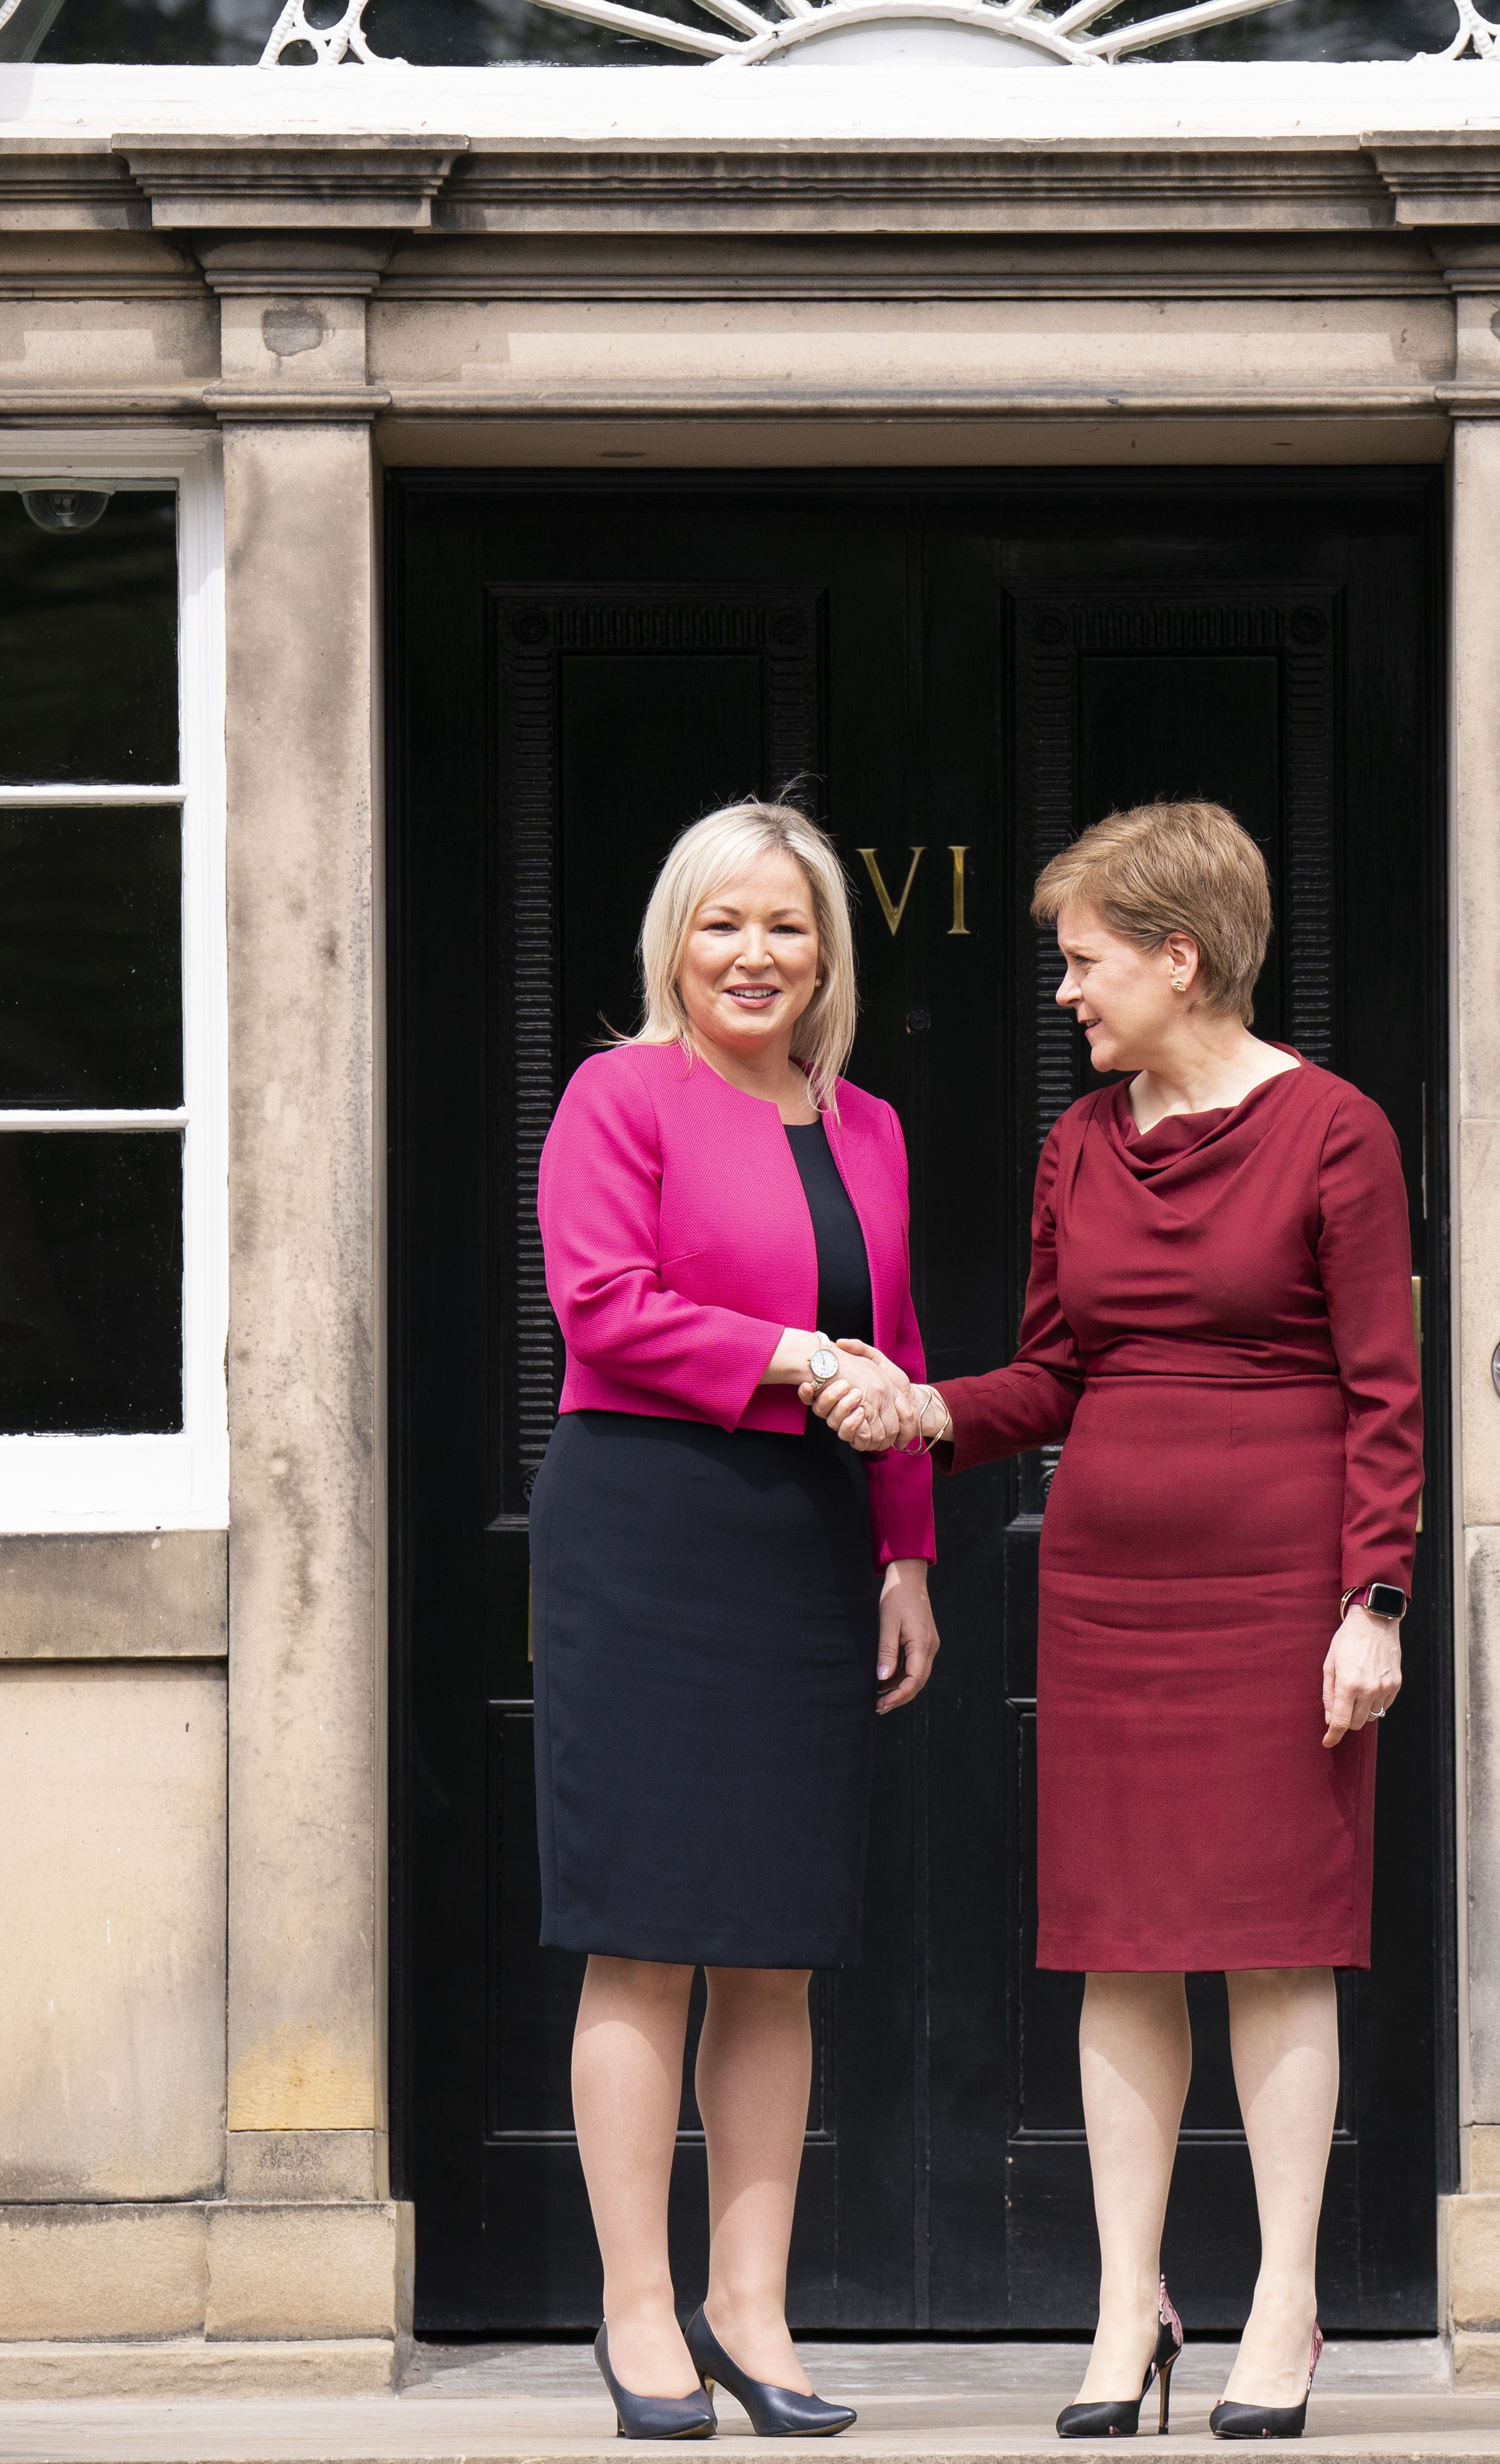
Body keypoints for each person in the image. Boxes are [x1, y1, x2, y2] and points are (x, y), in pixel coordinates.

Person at [817, 801, 1418, 2444]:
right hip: (1107, 1590)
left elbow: (1384, 1388)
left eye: (1085, 962)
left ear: (1181, 955)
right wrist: (926, 1409)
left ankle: (1283, 2303)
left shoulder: (1333, 1130)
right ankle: (1123, 2307)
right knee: (1117, 1943)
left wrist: (1372, 1604)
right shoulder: (1077, 1146)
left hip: (1284, 1584)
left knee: (1281, 1944)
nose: (1067, 994)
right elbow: (1056, 1377)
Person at [534, 801, 936, 2441]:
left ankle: (750, 2309)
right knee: (643, 1937)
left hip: (810, 1545)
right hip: (647, 1525)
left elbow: (897, 1337)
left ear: (826, 951)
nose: (754, 955)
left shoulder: (870, 1126)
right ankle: (638, 2312)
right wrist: (793, 1358)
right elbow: (602, 1305)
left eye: (785, 926)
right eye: (723, 924)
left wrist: (905, 1557)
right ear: (673, 941)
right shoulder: (616, 1094)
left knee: (776, 1950)